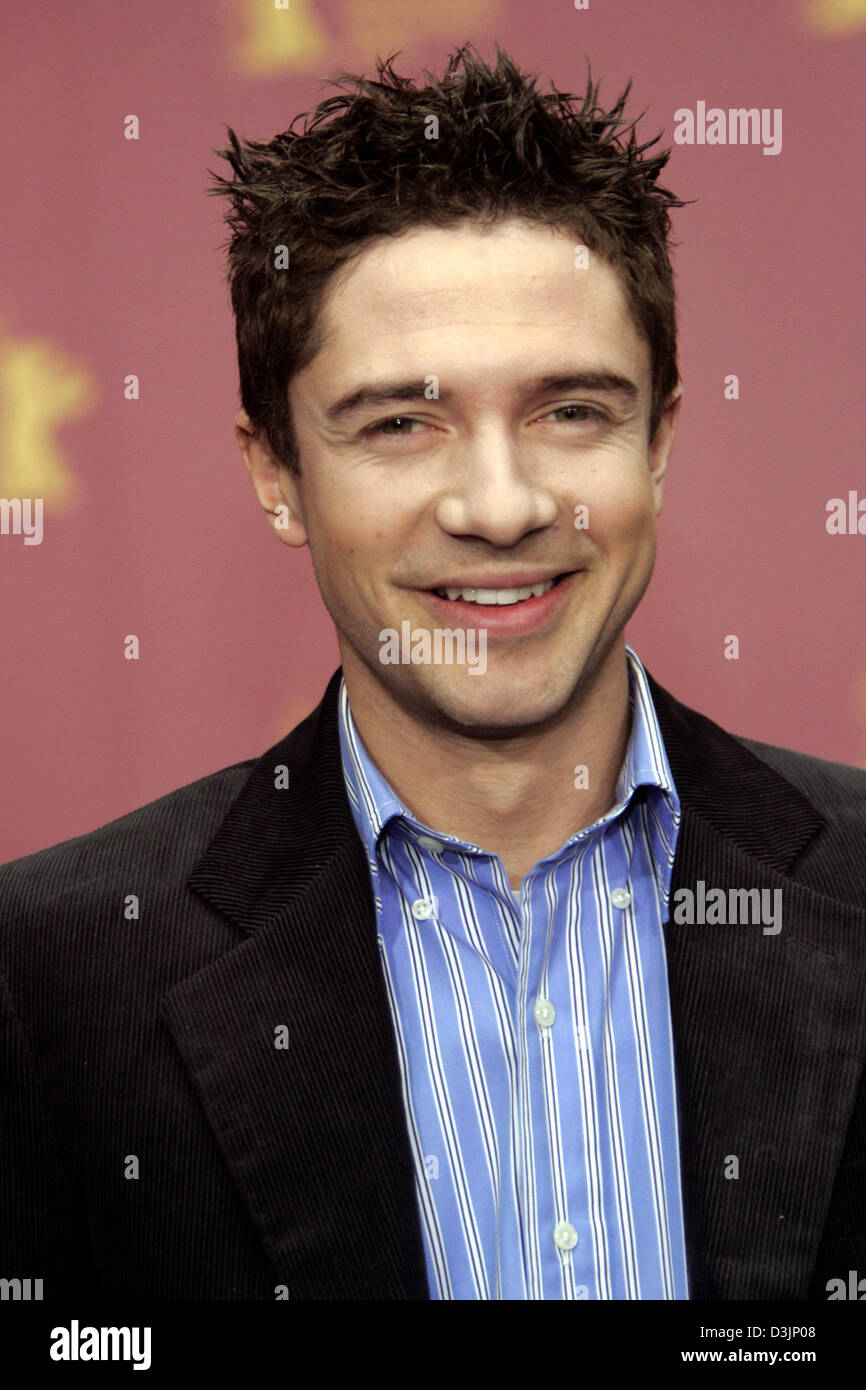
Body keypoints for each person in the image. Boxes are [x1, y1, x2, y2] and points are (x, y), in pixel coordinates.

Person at [2, 44, 864, 1302]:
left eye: (572, 409)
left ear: (659, 440)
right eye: (399, 423)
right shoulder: (50, 974)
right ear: (275, 473)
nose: (500, 506)